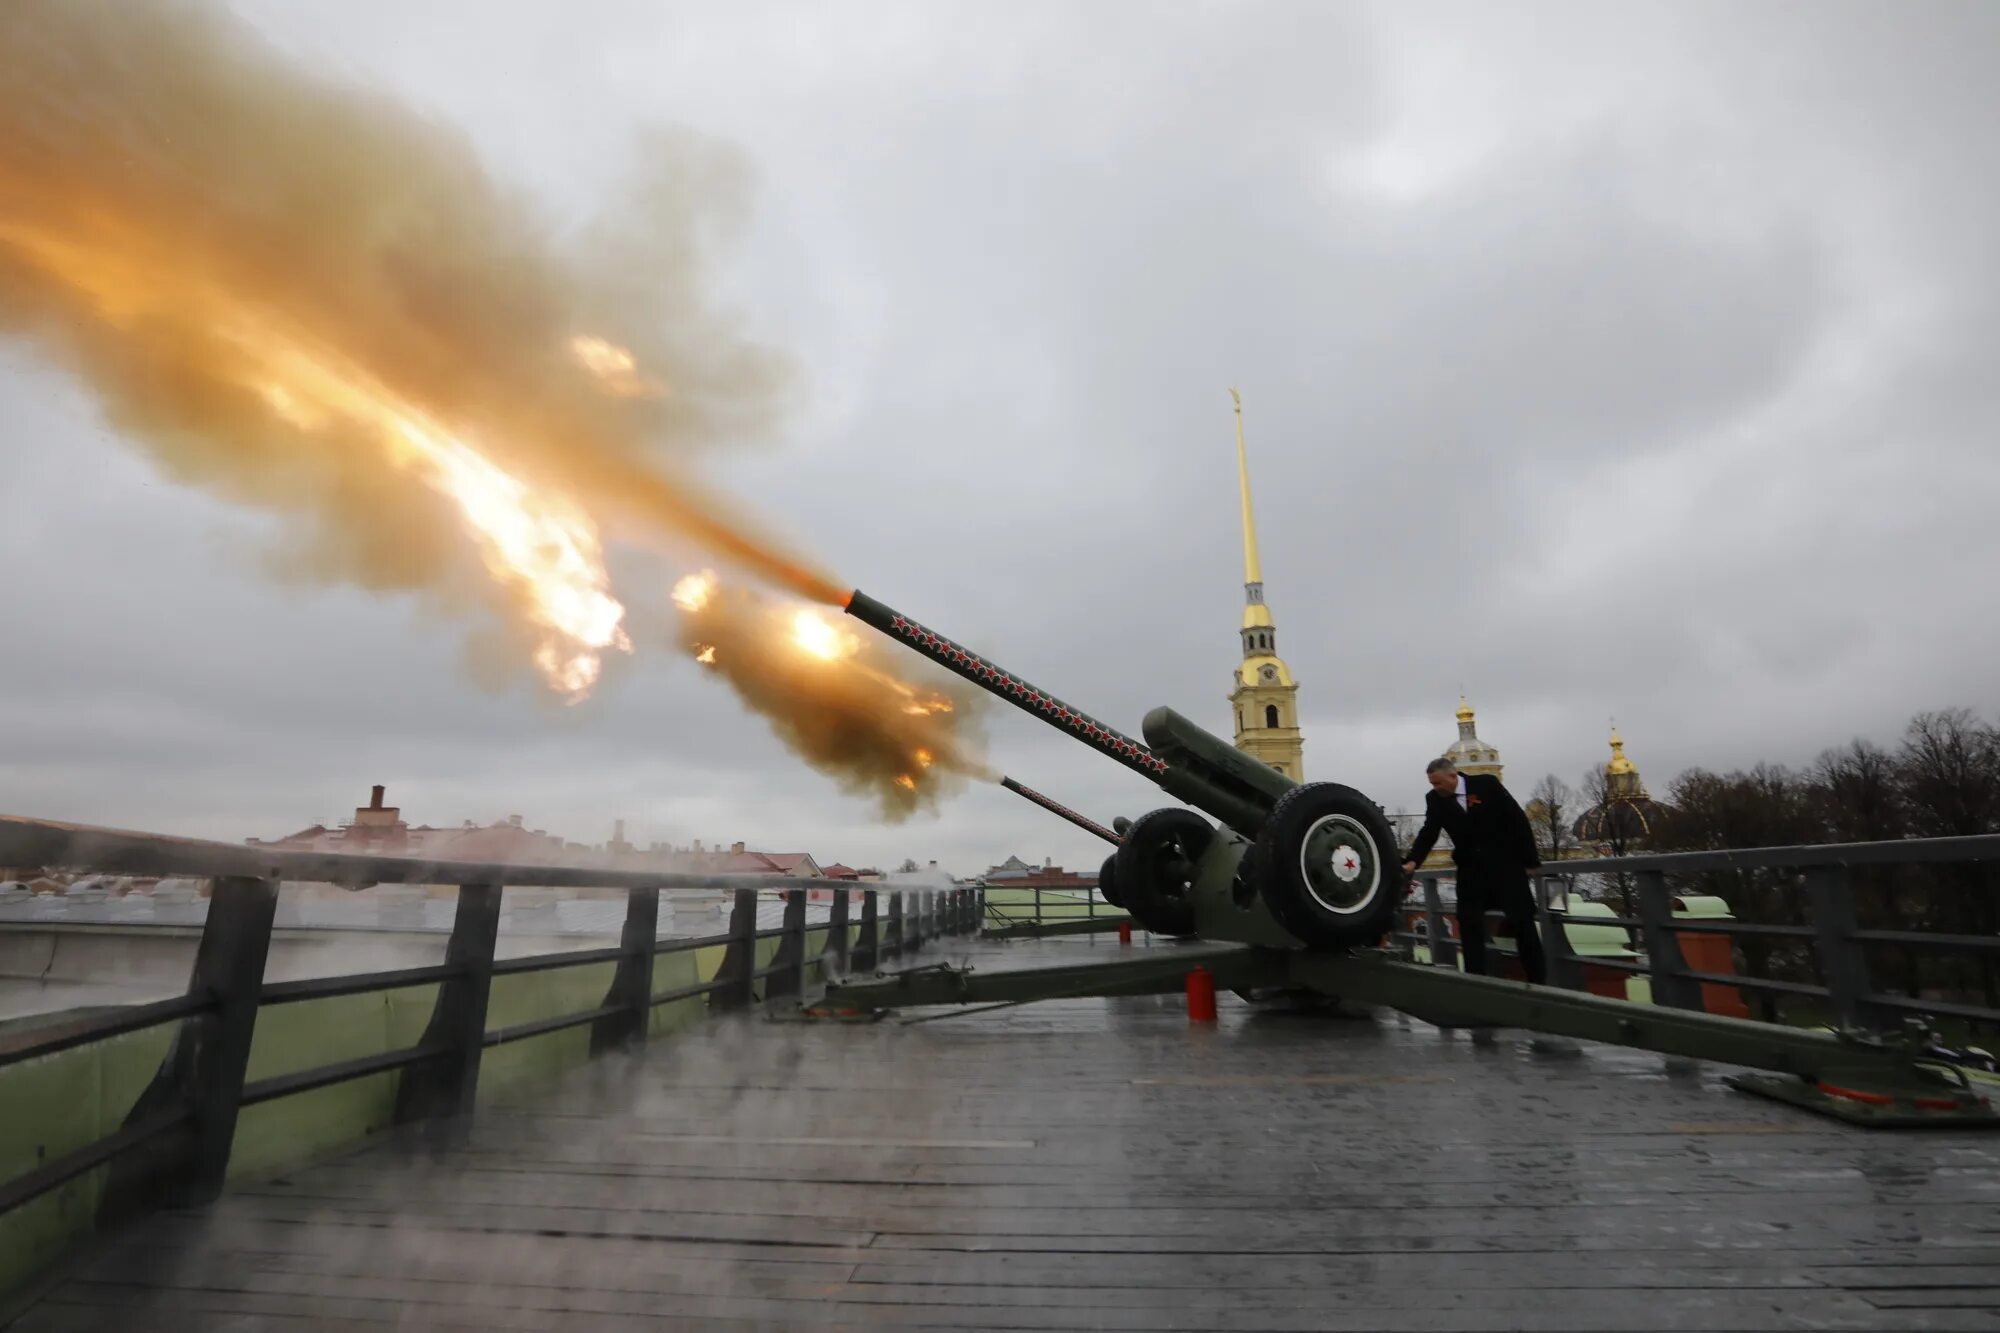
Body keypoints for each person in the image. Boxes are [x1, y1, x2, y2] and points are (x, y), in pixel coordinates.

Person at [1400, 757, 1547, 984]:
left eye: (1438, 783)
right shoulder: (1435, 800)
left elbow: (1517, 820)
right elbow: (1429, 833)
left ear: (1452, 776)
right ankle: (1475, 983)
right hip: (1471, 873)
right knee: (1469, 926)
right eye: (1431, 784)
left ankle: (1539, 983)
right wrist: (1412, 862)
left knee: (1523, 925)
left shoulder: (1487, 784)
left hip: (1506, 869)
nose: (1435, 788)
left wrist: (1531, 860)